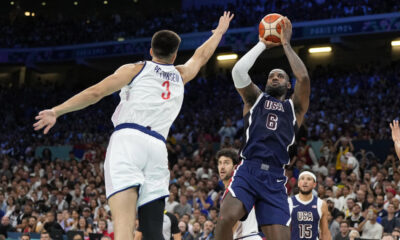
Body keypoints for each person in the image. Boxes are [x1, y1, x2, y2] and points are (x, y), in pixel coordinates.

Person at [33, 12, 234, 240]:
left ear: (151, 50)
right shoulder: (180, 74)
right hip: (158, 147)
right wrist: (219, 32)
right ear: (175, 54)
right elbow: (200, 56)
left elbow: (96, 92)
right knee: (152, 231)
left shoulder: (136, 69)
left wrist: (57, 110)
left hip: (128, 140)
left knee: (124, 228)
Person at [216, 16, 310, 240]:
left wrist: (286, 43)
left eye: (280, 76)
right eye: (271, 76)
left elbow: (304, 77)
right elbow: (238, 72)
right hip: (249, 169)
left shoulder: (295, 108)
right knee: (226, 217)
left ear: (289, 85)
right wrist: (262, 44)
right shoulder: (254, 99)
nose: (274, 77)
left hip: (276, 177)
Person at [216, 148, 261, 240]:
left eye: (226, 163)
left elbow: (231, 222)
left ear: (235, 167)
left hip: (246, 237)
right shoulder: (231, 189)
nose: (222, 167)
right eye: (220, 163)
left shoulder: (237, 189)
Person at [289, 170, 331, 240]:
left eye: (309, 179)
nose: (305, 182)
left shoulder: (321, 204)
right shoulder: (289, 202)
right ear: (299, 183)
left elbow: (325, 232)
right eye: (302, 179)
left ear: (314, 184)